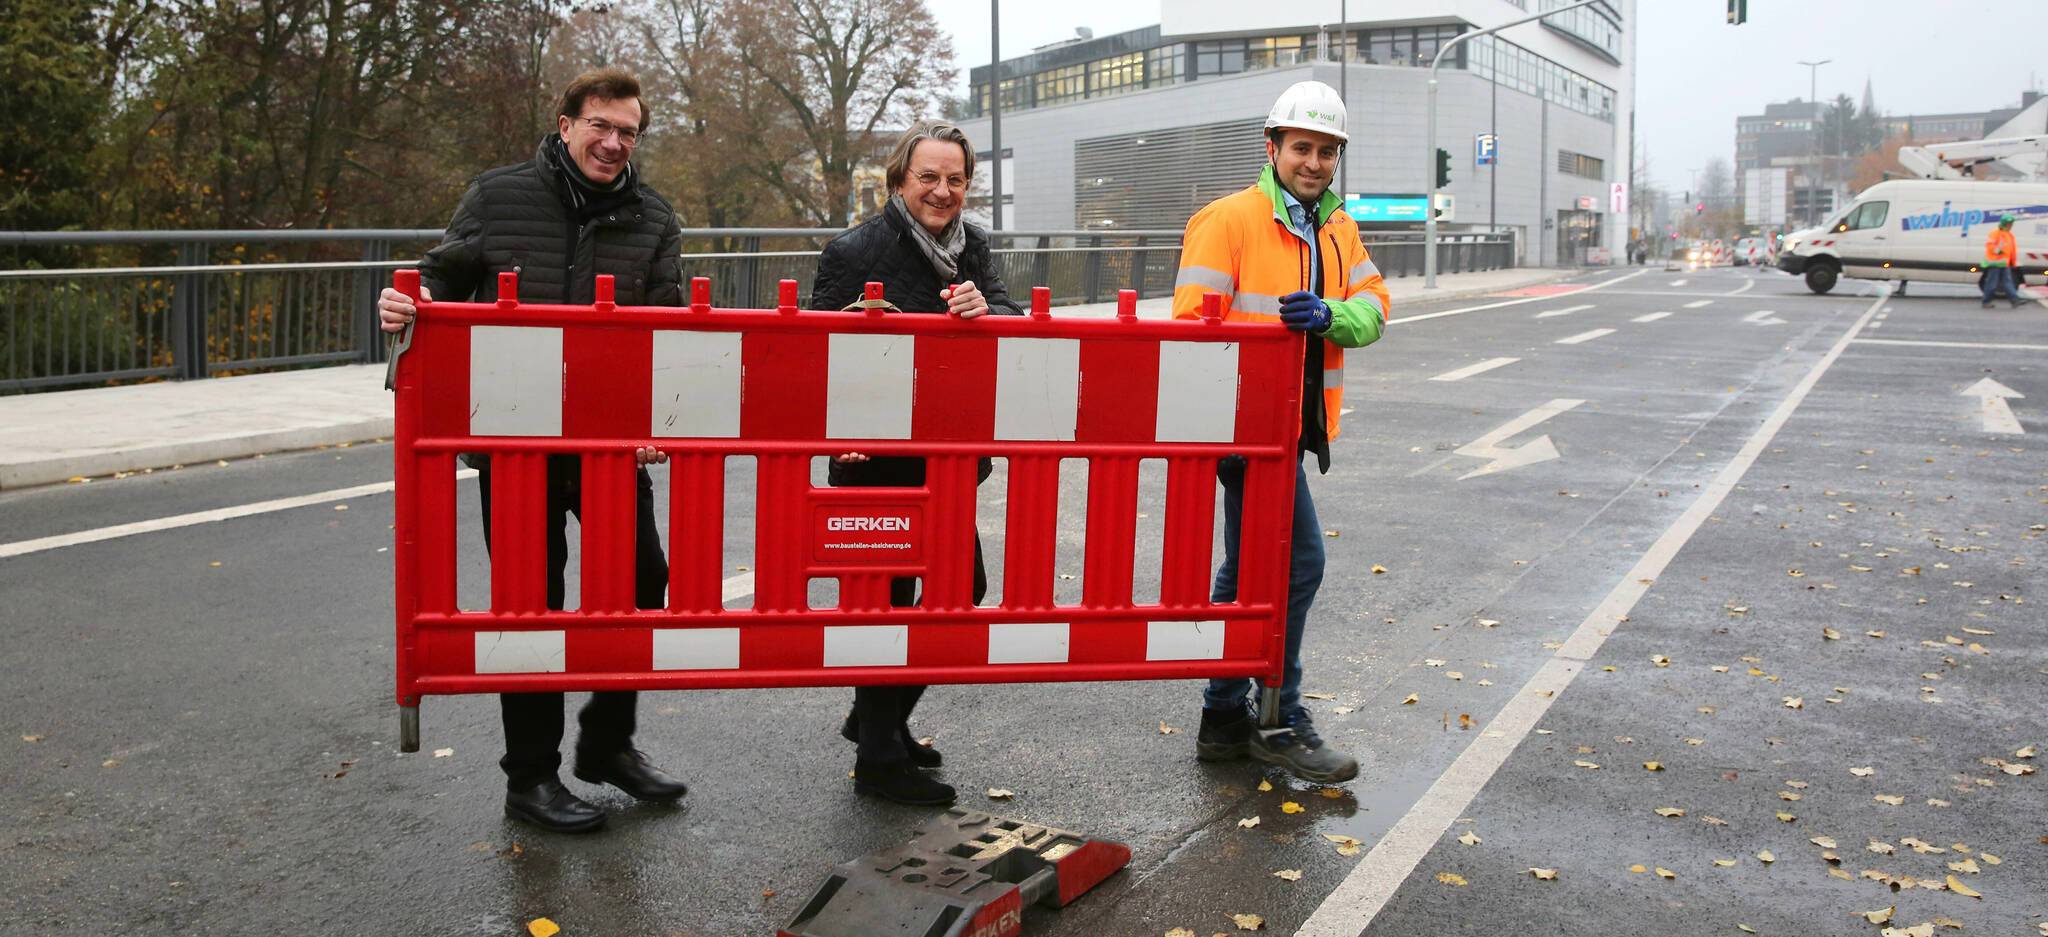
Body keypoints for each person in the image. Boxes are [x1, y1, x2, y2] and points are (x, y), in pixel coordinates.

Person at [377, 67, 688, 833]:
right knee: (532, 603)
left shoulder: (653, 216)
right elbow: (439, 285)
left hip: (612, 445)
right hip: (516, 445)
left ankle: (608, 744)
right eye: (600, 126)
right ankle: (531, 779)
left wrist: (662, 418)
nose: (613, 143)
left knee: (643, 583)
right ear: (566, 124)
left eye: (628, 132)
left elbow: (670, 327)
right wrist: (400, 306)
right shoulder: (499, 195)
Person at [1171, 80, 1387, 784]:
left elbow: (1376, 307)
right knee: (1298, 565)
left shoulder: (1338, 228)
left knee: (1251, 571)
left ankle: (1226, 717)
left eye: (1328, 151)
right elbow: (1192, 329)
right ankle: (1279, 717)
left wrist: (1329, 314)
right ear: (1273, 148)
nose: (1316, 162)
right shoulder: (1228, 220)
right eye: (1303, 147)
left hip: (1292, 431)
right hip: (1242, 430)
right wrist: (1273, 332)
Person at [810, 120, 1020, 806]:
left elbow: (1016, 315)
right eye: (929, 177)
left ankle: (878, 720)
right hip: (875, 463)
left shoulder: (974, 246)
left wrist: (987, 307)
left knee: (961, 590)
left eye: (955, 179)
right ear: (900, 179)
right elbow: (817, 353)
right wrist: (834, 433)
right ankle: (878, 758)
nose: (943, 191)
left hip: (948, 460)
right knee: (887, 603)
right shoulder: (855, 249)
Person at [1983, 213, 2023, 309]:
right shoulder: (1995, 233)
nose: (2010, 225)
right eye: (2009, 224)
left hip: (2004, 263)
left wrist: (2013, 262)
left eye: (2011, 224)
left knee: (2008, 282)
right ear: (2004, 223)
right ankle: (1986, 301)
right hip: (1995, 263)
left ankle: (2015, 300)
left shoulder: (2009, 235)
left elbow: (2012, 250)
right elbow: (1990, 246)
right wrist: (1999, 251)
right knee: (1992, 283)